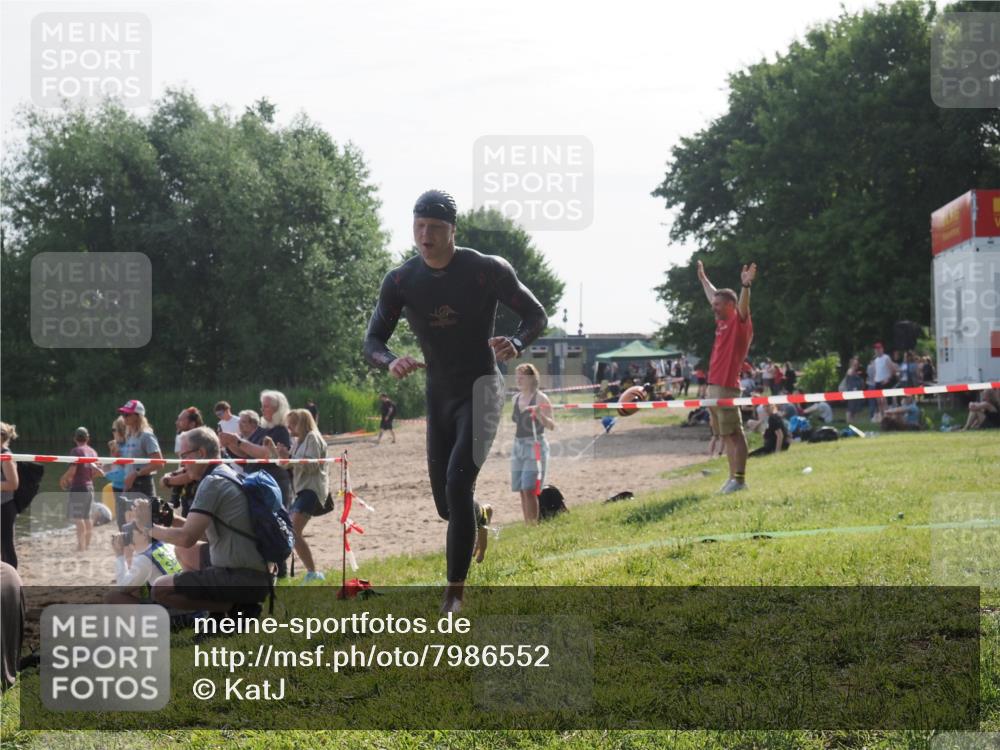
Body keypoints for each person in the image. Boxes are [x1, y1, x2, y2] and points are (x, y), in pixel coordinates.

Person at [363, 189, 547, 613]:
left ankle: (454, 594)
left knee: (458, 482)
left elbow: (536, 315)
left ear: (453, 231)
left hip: (482, 388)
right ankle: (478, 515)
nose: (425, 235)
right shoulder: (401, 281)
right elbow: (372, 340)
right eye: (419, 225)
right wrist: (390, 360)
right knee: (449, 506)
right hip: (439, 393)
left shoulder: (485, 270)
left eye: (435, 228)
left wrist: (517, 341)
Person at [150, 427, 271, 615]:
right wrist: (172, 520)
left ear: (201, 453)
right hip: (258, 573)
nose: (181, 463)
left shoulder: (212, 483)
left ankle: (237, 609)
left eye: (184, 456)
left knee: (159, 589)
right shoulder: (225, 472)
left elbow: (186, 537)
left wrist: (147, 529)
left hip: (244, 576)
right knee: (183, 551)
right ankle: (221, 611)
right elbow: (206, 534)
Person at [696, 260, 756, 493]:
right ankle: (733, 478)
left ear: (731, 305)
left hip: (726, 386)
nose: (714, 307)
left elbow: (743, 306)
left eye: (719, 305)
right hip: (714, 386)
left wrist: (746, 287)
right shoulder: (721, 321)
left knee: (734, 434)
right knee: (726, 435)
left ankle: (739, 480)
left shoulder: (738, 322)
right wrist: (703, 278)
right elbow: (713, 295)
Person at [219, 391, 293, 576]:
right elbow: (246, 454)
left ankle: (281, 570)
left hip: (274, 483)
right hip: (257, 482)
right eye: (262, 405)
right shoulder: (262, 429)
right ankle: (268, 568)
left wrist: (236, 440)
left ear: (277, 408)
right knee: (259, 523)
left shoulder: (280, 431)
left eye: (266, 406)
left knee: (276, 524)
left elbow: (266, 454)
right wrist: (229, 444)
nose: (262, 409)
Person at [280, 408, 328, 582]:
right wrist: (281, 455)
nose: (290, 427)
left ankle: (313, 572)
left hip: (311, 490)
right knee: (292, 532)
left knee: (293, 531)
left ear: (303, 423)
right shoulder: (299, 440)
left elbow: (312, 465)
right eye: (289, 424)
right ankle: (312, 572)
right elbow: (287, 465)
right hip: (302, 491)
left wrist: (290, 459)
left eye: (293, 423)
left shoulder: (312, 438)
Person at [106, 498, 181, 604]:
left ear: (144, 534)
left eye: (132, 530)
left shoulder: (144, 559)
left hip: (175, 614)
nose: (127, 535)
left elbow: (123, 587)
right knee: (136, 586)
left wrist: (119, 555)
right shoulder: (166, 545)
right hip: (186, 606)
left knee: (113, 596)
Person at [510, 363, 555, 525]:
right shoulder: (515, 398)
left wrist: (540, 415)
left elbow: (551, 425)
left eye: (522, 376)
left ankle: (533, 526)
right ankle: (527, 524)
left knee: (529, 488)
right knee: (521, 489)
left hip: (535, 445)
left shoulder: (541, 398)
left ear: (532, 378)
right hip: (518, 446)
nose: (519, 379)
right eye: (517, 376)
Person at [58, 427, 104, 552]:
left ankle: (80, 546)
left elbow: (73, 470)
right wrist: (88, 476)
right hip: (90, 487)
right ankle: (87, 545)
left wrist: (63, 478)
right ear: (88, 438)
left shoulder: (76, 451)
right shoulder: (93, 452)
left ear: (75, 438)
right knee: (87, 517)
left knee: (78, 518)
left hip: (78, 487)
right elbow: (98, 472)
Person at [0, 423, 20, 569]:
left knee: (7, 547)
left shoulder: (6, 456)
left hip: (5, 507)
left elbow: (13, 484)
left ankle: (12, 582)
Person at [105, 417, 129, 529]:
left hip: (126, 486)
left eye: (114, 430)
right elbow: (112, 465)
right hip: (117, 485)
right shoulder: (116, 445)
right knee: (121, 520)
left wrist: (117, 455)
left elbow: (129, 467)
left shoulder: (128, 446)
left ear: (121, 431)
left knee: (124, 520)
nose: (113, 432)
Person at [870, 342, 898, 420]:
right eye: (876, 349)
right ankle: (882, 417)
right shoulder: (876, 360)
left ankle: (887, 417)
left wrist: (888, 379)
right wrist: (874, 380)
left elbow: (892, 370)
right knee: (879, 401)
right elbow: (876, 371)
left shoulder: (886, 358)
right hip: (877, 382)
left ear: (882, 349)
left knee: (885, 401)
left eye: (879, 349)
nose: (877, 350)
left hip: (884, 381)